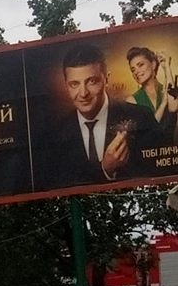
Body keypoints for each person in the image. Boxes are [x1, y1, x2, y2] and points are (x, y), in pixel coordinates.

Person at [36, 44, 161, 190]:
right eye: (74, 84)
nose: (83, 93)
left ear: (106, 79)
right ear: (66, 86)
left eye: (91, 81)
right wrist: (105, 170)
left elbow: (160, 169)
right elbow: (56, 183)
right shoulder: (54, 133)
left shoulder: (140, 116)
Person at [126, 46, 178, 138]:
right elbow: (147, 133)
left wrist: (167, 67)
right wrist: (163, 103)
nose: (136, 72)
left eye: (140, 65)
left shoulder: (168, 91)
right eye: (133, 70)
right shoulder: (132, 101)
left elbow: (173, 107)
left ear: (153, 65)